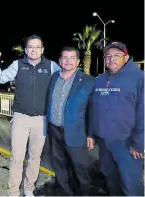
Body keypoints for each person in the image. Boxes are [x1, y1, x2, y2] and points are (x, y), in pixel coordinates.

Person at [0, 34, 60, 196]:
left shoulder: (51, 66)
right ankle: (13, 192)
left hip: (41, 120)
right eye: (30, 47)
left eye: (37, 47)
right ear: (26, 50)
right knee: (17, 157)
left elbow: (65, 79)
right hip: (21, 119)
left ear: (42, 49)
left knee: (35, 158)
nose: (34, 50)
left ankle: (29, 189)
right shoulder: (18, 65)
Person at [89, 41, 144, 196]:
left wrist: (139, 143)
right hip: (104, 144)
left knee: (131, 186)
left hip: (127, 145)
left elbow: (143, 113)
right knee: (110, 181)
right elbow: (94, 108)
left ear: (126, 58)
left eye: (116, 55)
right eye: (108, 55)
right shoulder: (100, 79)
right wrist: (91, 134)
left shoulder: (139, 78)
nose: (111, 58)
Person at [46, 46, 95, 195]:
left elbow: (93, 110)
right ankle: (64, 193)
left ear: (78, 61)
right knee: (60, 167)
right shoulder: (54, 77)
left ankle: (83, 194)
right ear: (60, 61)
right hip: (54, 130)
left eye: (72, 58)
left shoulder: (88, 81)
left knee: (80, 168)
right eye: (65, 58)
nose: (68, 61)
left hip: (76, 132)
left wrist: (91, 134)